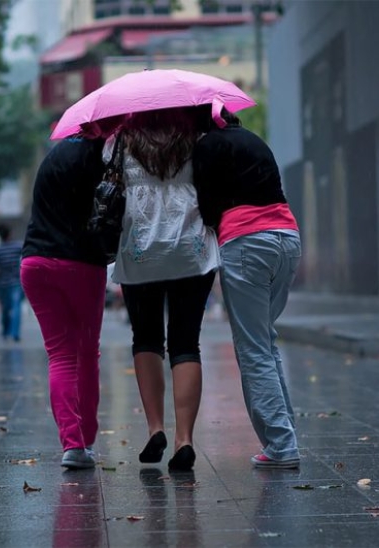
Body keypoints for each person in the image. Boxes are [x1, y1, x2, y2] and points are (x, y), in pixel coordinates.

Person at [110, 107, 220, 472]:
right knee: (187, 342)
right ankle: (184, 438)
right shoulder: (196, 141)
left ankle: (156, 427)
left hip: (141, 253)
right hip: (190, 251)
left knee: (146, 339)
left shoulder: (119, 142)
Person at [192, 109, 302, 469]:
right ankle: (284, 435)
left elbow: (206, 206)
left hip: (247, 242)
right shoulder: (255, 140)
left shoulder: (207, 146)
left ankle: (282, 445)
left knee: (253, 348)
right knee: (265, 342)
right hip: (287, 237)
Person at [20, 119, 120, 470]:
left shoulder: (54, 155)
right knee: (86, 353)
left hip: (35, 263)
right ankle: (85, 441)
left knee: (60, 355)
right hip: (80, 264)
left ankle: (71, 443)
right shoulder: (103, 161)